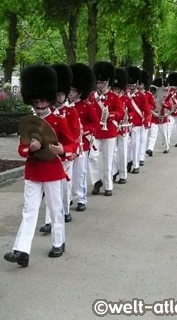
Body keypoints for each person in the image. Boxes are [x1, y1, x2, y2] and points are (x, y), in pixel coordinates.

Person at [4, 65, 76, 266]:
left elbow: (73, 144)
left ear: (49, 99)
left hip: (53, 171)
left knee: (55, 209)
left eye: (43, 100)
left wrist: (62, 150)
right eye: (36, 101)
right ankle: (22, 250)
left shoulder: (59, 121)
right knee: (29, 210)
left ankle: (59, 241)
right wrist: (31, 149)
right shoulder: (28, 122)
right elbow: (21, 149)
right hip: (33, 171)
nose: (40, 104)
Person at [39, 63, 79, 232]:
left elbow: (75, 134)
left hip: (65, 153)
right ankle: (49, 221)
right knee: (51, 189)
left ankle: (66, 211)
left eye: (63, 94)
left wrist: (69, 151)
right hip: (50, 155)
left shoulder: (71, 112)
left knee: (66, 185)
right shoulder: (45, 114)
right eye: (58, 94)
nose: (60, 97)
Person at [88, 61, 124, 195]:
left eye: (102, 83)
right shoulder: (92, 97)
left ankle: (108, 185)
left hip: (109, 131)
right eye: (98, 82)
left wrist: (111, 114)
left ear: (108, 82)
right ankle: (96, 181)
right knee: (92, 157)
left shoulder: (114, 97)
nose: (99, 85)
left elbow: (120, 113)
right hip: (95, 132)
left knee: (108, 159)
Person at [68, 63, 99, 211]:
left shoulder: (86, 106)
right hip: (68, 145)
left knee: (80, 173)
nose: (70, 93)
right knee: (67, 174)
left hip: (82, 145)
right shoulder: (65, 107)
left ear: (80, 91)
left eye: (73, 91)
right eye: (70, 90)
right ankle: (67, 198)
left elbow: (95, 123)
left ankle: (81, 198)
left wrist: (83, 130)